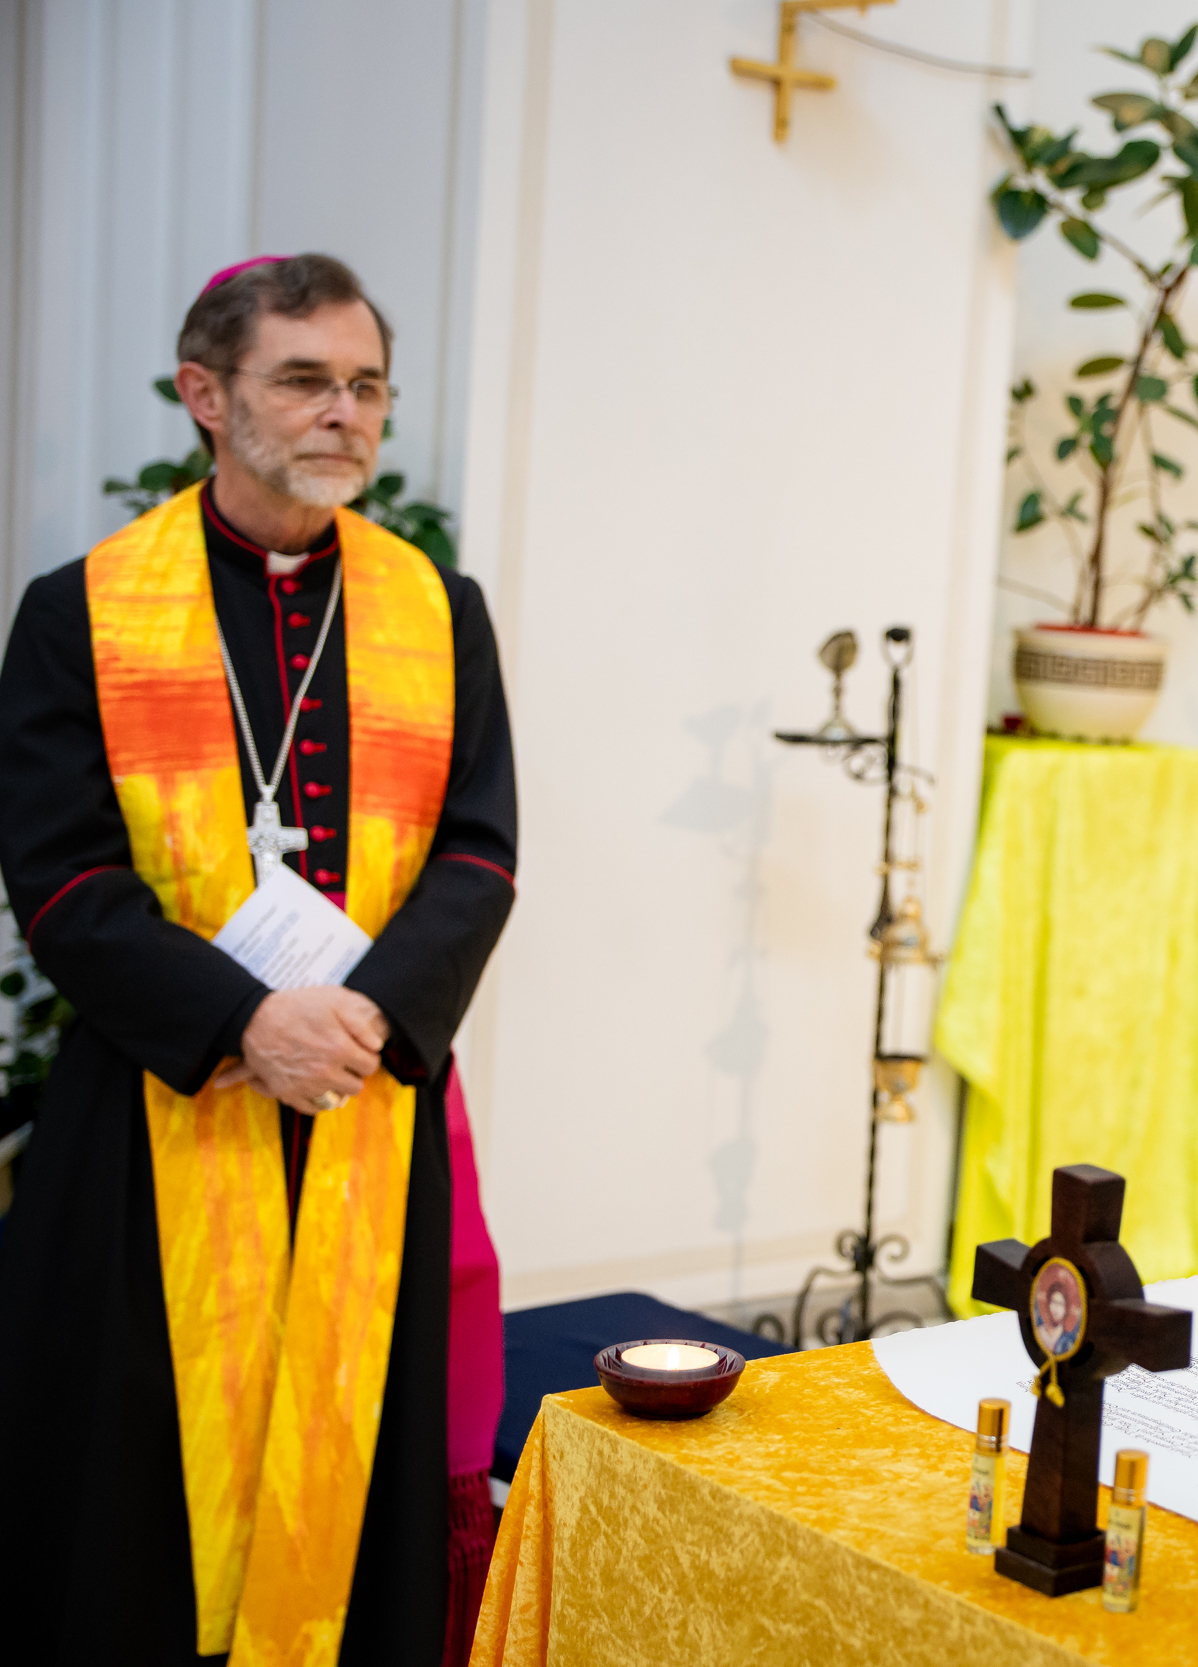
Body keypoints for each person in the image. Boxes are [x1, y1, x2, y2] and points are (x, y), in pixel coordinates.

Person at [0, 254, 517, 1664]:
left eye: (367, 386)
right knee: (130, 1490)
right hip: (153, 1114)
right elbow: (61, 877)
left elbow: (481, 852)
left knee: (362, 1479)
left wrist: (365, 1020)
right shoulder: (81, 609)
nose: (345, 412)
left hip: (364, 1100)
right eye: (304, 380)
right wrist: (244, 1020)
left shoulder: (437, 607)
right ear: (206, 394)